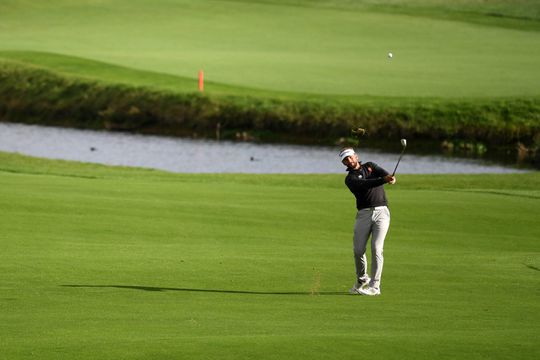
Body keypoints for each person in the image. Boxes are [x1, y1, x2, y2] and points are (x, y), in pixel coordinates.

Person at [339, 147, 396, 296]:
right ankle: (362, 278)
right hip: (363, 214)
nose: (349, 161)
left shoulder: (370, 165)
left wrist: (390, 178)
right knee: (358, 250)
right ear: (344, 163)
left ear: (356, 156)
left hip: (382, 213)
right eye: (345, 159)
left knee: (377, 249)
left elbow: (385, 174)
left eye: (350, 157)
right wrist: (383, 180)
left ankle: (375, 286)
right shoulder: (349, 179)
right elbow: (364, 185)